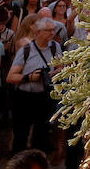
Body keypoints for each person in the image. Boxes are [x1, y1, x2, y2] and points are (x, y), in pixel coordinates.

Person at [5, 20, 59, 157]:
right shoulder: (26, 50)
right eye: (49, 30)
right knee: (21, 134)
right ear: (39, 32)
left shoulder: (55, 47)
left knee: (42, 134)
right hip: (25, 97)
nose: (52, 33)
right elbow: (10, 77)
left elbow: (62, 66)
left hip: (45, 97)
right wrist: (29, 77)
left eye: (54, 30)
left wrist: (52, 74)